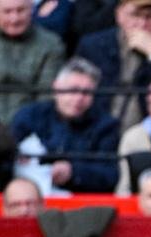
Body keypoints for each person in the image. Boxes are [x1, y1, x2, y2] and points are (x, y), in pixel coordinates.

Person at [10, 58, 122, 194]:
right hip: (28, 195)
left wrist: (73, 172)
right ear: (56, 87)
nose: (79, 98)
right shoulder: (29, 116)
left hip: (80, 200)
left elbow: (110, 174)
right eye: (73, 90)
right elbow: (6, 159)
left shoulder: (106, 125)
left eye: (87, 93)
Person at [74, 0, 151, 133]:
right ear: (119, 15)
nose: (143, 24)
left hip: (145, 136)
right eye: (136, 15)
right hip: (95, 132)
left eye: (150, 17)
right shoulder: (92, 47)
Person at [0, 0, 65, 126]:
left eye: (20, 10)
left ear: (31, 9)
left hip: (29, 123)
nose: (14, 19)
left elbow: (45, 96)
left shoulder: (51, 43)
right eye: (7, 12)